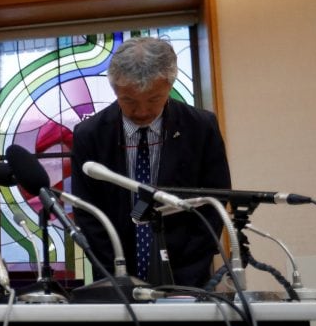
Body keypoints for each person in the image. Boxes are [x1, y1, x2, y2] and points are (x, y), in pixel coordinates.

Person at [71, 36, 231, 288]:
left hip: (189, 275)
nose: (142, 112)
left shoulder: (200, 128)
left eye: (154, 99)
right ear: (115, 90)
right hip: (114, 274)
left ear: (169, 85)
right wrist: (115, 269)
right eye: (129, 101)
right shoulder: (89, 135)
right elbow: (86, 211)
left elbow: (214, 204)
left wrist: (189, 271)